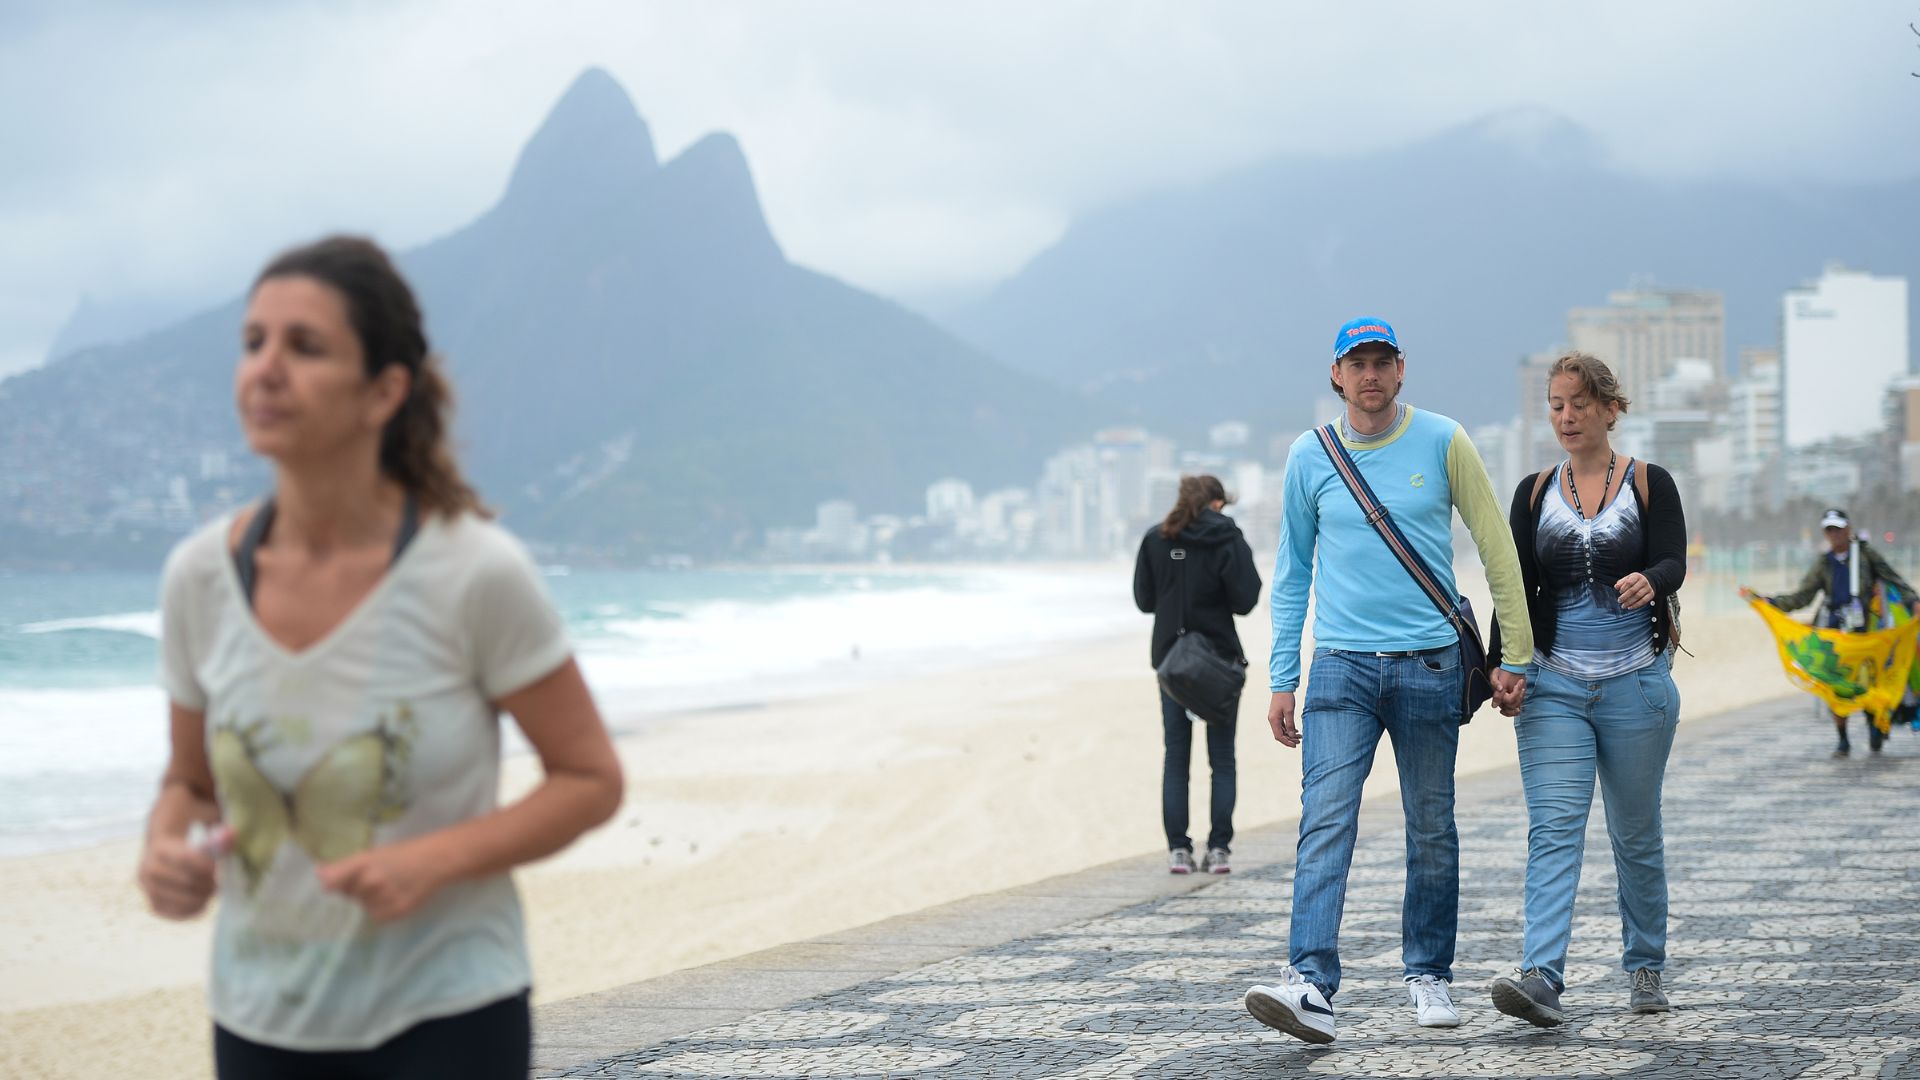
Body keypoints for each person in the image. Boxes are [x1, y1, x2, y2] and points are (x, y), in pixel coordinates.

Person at [135, 236, 625, 1079]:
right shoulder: (199, 578)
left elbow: (590, 779)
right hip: (259, 1017)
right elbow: (189, 784)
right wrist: (166, 850)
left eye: (306, 346)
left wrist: (429, 862)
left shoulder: (474, 572)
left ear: (384, 392)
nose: (267, 369)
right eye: (254, 343)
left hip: (446, 1011)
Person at [1243, 317, 1532, 1043]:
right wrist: (1283, 677)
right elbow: (1291, 575)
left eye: (1381, 362)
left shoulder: (1444, 440)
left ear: (1401, 371)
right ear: (1336, 376)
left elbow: (1496, 546)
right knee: (1325, 821)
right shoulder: (1310, 457)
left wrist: (1517, 655)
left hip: (1432, 666)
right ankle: (1309, 983)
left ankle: (1429, 973)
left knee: (1431, 826)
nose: (1369, 376)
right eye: (1356, 364)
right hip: (1339, 667)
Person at [1485, 352, 1686, 1028]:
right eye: (1555, 405)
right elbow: (1513, 589)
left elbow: (1673, 557)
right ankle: (1541, 976)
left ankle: (1646, 966)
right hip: (1554, 688)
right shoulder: (1535, 491)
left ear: (1608, 407)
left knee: (1635, 833)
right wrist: (1500, 667)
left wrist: (1652, 580)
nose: (1565, 417)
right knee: (1554, 829)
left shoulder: (1650, 482)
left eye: (1576, 403)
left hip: (1637, 687)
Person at [1134, 475, 1261, 875]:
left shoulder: (1156, 538)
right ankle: (1219, 849)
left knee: (1177, 759)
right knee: (1222, 759)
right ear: (1217, 504)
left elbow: (1144, 600)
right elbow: (1245, 601)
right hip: (1220, 662)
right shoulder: (1229, 539)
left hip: (1173, 663)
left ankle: (1179, 852)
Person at [1743, 509, 1918, 756]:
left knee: (1869, 683)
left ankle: (1874, 728)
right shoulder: (1824, 563)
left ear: (1848, 529)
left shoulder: (1866, 556)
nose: (1834, 534)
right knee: (1837, 685)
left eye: (1838, 529)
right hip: (1836, 635)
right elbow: (1803, 595)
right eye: (1829, 530)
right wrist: (1769, 602)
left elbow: (1895, 580)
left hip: (1867, 634)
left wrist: (1913, 602)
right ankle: (1843, 739)